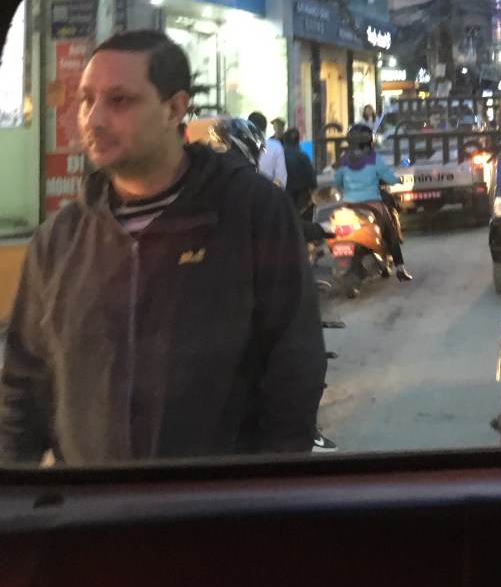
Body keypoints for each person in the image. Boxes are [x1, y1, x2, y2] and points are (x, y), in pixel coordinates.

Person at [0, 30, 327, 464]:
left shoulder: (251, 212)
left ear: (174, 109)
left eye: (119, 100)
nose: (93, 119)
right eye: (86, 100)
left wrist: (262, 487)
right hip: (89, 500)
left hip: (217, 499)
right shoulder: (60, 239)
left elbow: (294, 366)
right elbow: (23, 384)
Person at [330, 123, 413, 283]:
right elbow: (388, 177)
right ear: (370, 140)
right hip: (372, 204)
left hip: (349, 206)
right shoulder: (374, 157)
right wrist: (398, 180)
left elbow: (337, 181)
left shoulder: (344, 159)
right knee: (390, 231)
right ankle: (400, 268)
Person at [282, 127, 318, 218]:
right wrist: (315, 190)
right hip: (302, 196)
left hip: (285, 195)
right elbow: (311, 177)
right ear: (298, 141)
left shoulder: (280, 156)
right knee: (303, 219)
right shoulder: (303, 156)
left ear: (284, 141)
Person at [248, 110, 288, 189]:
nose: (276, 128)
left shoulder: (240, 146)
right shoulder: (276, 146)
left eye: (277, 126)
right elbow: (281, 180)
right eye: (274, 126)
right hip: (269, 192)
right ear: (265, 128)